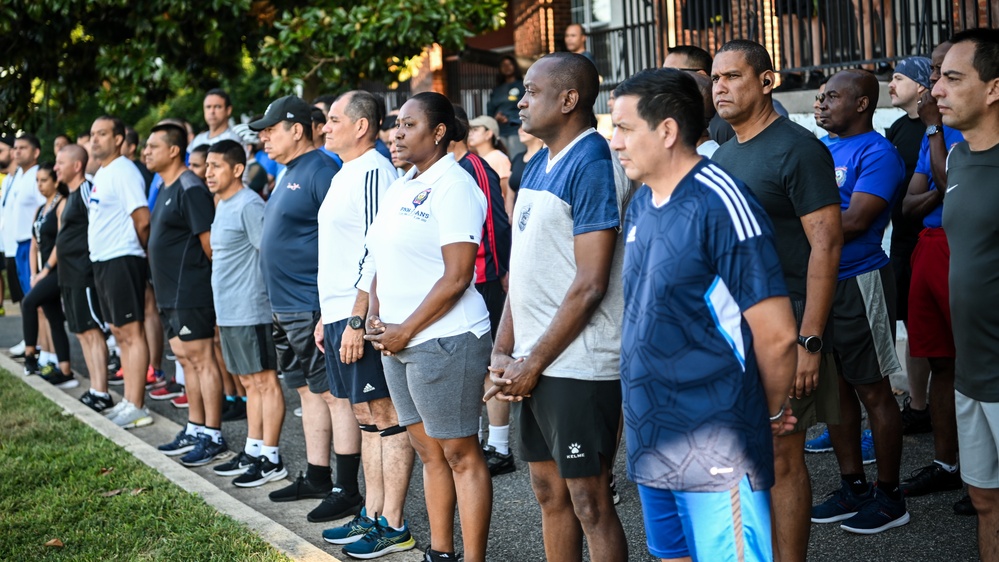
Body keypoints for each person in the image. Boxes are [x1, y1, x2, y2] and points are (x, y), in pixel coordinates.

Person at [613, 66, 798, 562]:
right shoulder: (643, 201)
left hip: (715, 439)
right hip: (652, 431)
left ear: (667, 130)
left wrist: (772, 412)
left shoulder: (721, 200)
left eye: (625, 128)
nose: (615, 142)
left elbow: (778, 335)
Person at [486, 52, 628, 562]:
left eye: (531, 91)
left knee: (590, 501)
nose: (520, 102)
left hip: (578, 363)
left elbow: (590, 284)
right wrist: (504, 351)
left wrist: (534, 361)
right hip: (532, 358)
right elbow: (522, 271)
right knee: (549, 494)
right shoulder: (538, 162)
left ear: (569, 99)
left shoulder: (592, 162)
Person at [711, 39, 843, 561]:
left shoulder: (798, 148)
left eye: (734, 77)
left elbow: (826, 244)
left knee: (784, 456)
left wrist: (809, 341)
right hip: (731, 335)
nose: (720, 86)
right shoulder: (724, 151)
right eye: (716, 78)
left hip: (782, 335)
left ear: (768, 81)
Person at [361, 91, 492, 562]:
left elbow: (457, 276)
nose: (396, 132)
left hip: (445, 339)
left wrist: (404, 329)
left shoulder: (455, 186)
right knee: (428, 452)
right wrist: (376, 316)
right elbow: (381, 259)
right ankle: (440, 552)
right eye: (396, 123)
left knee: (460, 453)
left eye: (409, 124)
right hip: (397, 340)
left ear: (438, 133)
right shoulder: (403, 184)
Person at [250, 95, 363, 524]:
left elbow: (344, 239)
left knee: (335, 396)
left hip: (309, 307)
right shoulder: (289, 171)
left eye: (270, 129)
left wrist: (327, 309)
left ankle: (346, 488)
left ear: (296, 129)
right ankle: (317, 474)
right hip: (284, 307)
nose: (264, 138)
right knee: (305, 390)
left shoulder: (320, 169)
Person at [314, 90, 417, 559]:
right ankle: (372, 513)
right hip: (337, 314)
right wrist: (328, 317)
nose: (325, 126)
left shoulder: (375, 171)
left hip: (361, 314)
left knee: (386, 414)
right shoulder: (343, 172)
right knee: (364, 415)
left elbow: (376, 253)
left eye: (333, 119)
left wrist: (359, 318)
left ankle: (392, 522)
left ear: (361, 125)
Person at [811, 69, 909, 534]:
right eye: (821, 95)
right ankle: (854, 487)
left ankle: (890, 495)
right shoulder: (821, 150)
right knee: (836, 391)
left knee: (873, 389)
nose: (820, 102)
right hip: (821, 283)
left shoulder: (878, 151)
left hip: (859, 279)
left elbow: (855, 221)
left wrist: (798, 223)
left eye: (832, 96)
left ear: (862, 104)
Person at [934, 28, 999, 557]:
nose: (937, 90)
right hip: (971, 372)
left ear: (994, 88)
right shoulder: (957, 158)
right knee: (983, 499)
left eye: (953, 79)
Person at [203, 140, 287, 487]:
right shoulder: (223, 202)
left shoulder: (250, 204)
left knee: (265, 382)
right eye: (206, 166)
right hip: (230, 311)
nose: (208, 173)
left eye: (216, 166)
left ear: (238, 169)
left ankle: (271, 457)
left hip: (252, 309)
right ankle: (253, 449)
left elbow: (268, 256)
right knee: (250, 383)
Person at [144, 123, 228, 466]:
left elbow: (210, 246)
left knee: (202, 361)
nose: (145, 152)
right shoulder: (167, 187)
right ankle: (195, 427)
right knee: (186, 361)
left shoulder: (190, 187)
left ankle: (212, 434)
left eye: (152, 146)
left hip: (190, 293)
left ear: (173, 150)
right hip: (168, 295)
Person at [899, 72, 965, 499]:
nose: (935, 86)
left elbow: (946, 186)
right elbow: (910, 202)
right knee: (940, 359)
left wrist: (935, 129)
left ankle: (982, 471)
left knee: (974, 361)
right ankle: (947, 463)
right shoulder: (933, 130)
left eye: (948, 74)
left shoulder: (949, 127)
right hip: (929, 243)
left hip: (961, 246)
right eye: (935, 74)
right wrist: (942, 192)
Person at [450, 105, 514, 477]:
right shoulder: (443, 171)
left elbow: (495, 223)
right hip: (461, 280)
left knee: (491, 362)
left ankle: (501, 447)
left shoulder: (474, 166)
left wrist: (498, 270)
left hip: (483, 277)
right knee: (470, 365)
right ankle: (475, 442)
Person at [87, 116, 152, 429]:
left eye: (102, 134)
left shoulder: (124, 169)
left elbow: (142, 218)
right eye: (92, 134)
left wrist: (141, 254)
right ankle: (128, 400)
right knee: (119, 332)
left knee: (131, 331)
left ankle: (137, 404)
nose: (95, 140)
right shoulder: (104, 171)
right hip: (104, 260)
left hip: (122, 258)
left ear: (118, 138)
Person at [885, 57, 934, 434]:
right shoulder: (898, 127)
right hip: (903, 240)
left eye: (899, 78)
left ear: (920, 87)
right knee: (911, 325)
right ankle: (918, 407)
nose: (890, 83)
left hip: (931, 238)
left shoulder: (939, 128)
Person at [54, 144, 112, 411]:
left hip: (84, 274)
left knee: (92, 332)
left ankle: (102, 391)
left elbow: (98, 224)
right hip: (69, 275)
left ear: (77, 165)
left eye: (60, 163)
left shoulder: (87, 189)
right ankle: (94, 388)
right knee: (81, 333)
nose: (56, 167)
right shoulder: (69, 194)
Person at [21, 162, 73, 385]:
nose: (40, 185)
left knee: (28, 303)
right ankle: (65, 370)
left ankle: (30, 355)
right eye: (37, 181)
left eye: (44, 180)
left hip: (58, 270)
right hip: (43, 272)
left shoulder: (63, 204)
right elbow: (34, 244)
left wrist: (46, 271)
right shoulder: (40, 209)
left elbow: (61, 242)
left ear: (55, 181)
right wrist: (34, 273)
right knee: (53, 319)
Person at [3, 135, 44, 304]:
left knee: (37, 301)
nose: (17, 152)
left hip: (32, 245)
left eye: (23, 148)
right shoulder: (18, 177)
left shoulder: (38, 176)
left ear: (36, 152)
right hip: (17, 245)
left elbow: (45, 211)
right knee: (26, 301)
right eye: (15, 148)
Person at [467, 115, 513, 213]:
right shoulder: (478, 158)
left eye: (475, 130)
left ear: (488, 134)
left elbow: (507, 193)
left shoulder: (498, 157)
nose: (470, 133)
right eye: (470, 130)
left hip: (495, 216)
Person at [487, 55, 526, 156]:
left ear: (515, 66)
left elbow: (528, 105)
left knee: (517, 158)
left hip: (517, 129)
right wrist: (496, 117)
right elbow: (490, 109)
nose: (507, 67)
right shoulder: (497, 89)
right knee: (505, 161)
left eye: (509, 64)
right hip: (500, 131)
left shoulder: (522, 85)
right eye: (503, 65)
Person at [508, 126, 542, 212]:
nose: (520, 130)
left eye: (525, 126)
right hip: (516, 218)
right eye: (519, 127)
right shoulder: (517, 158)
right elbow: (510, 192)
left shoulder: (547, 157)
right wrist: (509, 214)